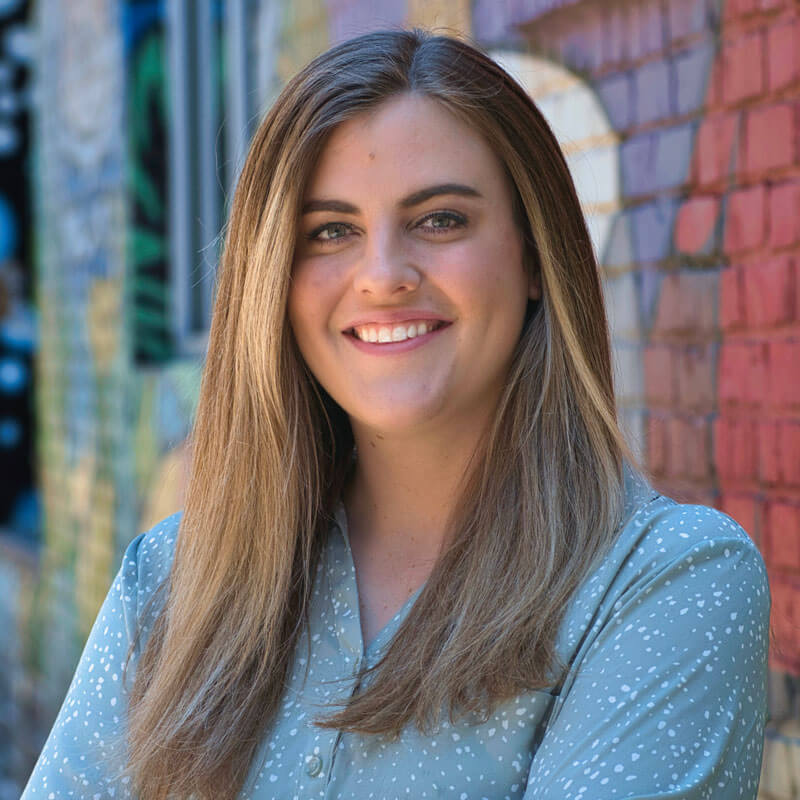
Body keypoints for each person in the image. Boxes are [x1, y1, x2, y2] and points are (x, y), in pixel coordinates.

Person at [23, 29, 769, 800]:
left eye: (441, 219)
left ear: (535, 258)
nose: (382, 277)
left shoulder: (665, 584)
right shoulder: (173, 583)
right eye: (331, 232)